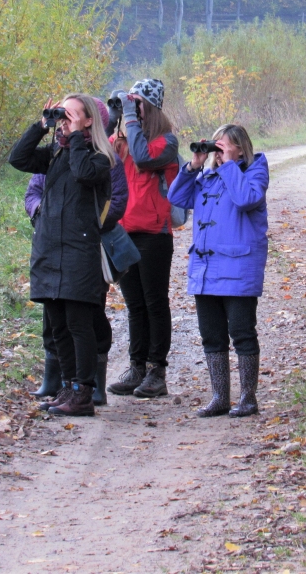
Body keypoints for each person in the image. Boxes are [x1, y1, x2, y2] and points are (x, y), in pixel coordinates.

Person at [8, 94, 115, 417]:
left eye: (70, 115)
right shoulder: (55, 154)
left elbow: (82, 173)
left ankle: (84, 392)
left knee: (78, 324)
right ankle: (67, 387)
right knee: (57, 325)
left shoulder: (99, 158)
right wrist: (42, 125)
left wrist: (76, 138)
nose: (63, 121)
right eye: (61, 115)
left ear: (88, 121)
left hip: (79, 251)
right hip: (49, 249)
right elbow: (18, 159)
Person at [167, 125, 269, 418]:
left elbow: (246, 198)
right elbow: (176, 198)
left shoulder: (254, 172)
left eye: (224, 144)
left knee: (241, 332)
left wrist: (228, 166)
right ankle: (220, 397)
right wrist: (193, 166)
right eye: (217, 144)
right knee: (211, 335)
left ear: (239, 147)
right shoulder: (207, 177)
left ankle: (248, 398)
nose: (218, 148)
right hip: (205, 269)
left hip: (238, 268)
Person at [106, 79, 181, 399]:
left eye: (135, 104)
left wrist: (131, 118)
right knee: (134, 305)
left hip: (154, 234)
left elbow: (142, 157)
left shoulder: (167, 143)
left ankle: (156, 371)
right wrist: (111, 117)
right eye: (128, 104)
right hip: (123, 232)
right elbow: (98, 152)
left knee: (154, 303)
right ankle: (137, 366)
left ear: (148, 108)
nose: (130, 110)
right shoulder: (120, 141)